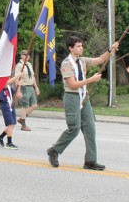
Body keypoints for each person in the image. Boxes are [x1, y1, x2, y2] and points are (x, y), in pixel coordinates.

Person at [47, 37, 119, 170]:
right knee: (74, 129)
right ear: (71, 48)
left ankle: (90, 160)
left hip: (84, 98)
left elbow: (100, 60)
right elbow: (73, 85)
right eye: (78, 46)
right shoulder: (66, 64)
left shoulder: (82, 61)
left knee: (90, 129)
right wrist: (91, 80)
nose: (81, 48)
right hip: (72, 97)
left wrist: (110, 49)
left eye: (81, 46)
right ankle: (54, 150)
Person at [15, 50, 38, 131]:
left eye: (28, 55)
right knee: (25, 106)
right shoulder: (19, 65)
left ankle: (22, 119)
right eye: (26, 55)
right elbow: (17, 78)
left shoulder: (29, 64)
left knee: (34, 105)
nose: (28, 57)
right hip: (24, 87)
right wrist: (18, 90)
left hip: (31, 87)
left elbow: (33, 76)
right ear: (22, 56)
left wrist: (36, 88)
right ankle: (23, 125)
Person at [0, 74, 23, 149]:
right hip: (5, 105)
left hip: (11, 105)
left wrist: (19, 85)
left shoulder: (10, 86)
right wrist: (17, 76)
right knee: (10, 124)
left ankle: (0, 137)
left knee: (12, 124)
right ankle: (9, 143)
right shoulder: (2, 82)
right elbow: (6, 83)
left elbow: (16, 94)